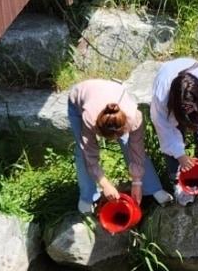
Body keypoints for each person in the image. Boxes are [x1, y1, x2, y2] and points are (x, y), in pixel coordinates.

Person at [67, 79, 170, 214]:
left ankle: (153, 188)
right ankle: (88, 196)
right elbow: (89, 153)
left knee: (129, 143)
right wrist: (105, 184)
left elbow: (137, 149)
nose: (115, 140)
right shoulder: (89, 118)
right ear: (98, 128)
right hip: (79, 99)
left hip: (113, 93)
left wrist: (137, 182)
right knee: (83, 152)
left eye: (118, 134)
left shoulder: (134, 117)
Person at [150, 58, 198, 205]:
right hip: (167, 90)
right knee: (173, 144)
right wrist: (180, 155)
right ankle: (177, 182)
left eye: (190, 106)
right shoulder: (162, 97)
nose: (188, 109)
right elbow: (164, 129)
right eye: (184, 107)